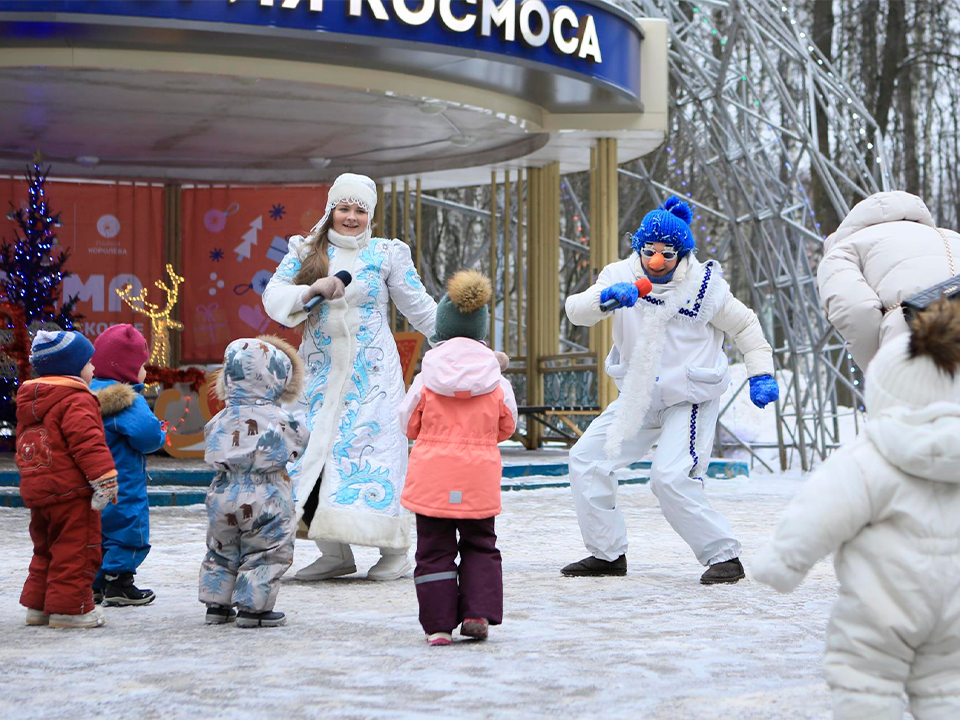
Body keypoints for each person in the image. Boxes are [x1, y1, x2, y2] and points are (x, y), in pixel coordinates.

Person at [753, 298, 960, 720]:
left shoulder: (870, 457)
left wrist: (781, 563)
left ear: (884, 390)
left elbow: (822, 509)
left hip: (878, 610)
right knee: (948, 689)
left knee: (866, 685)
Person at [561, 196, 778, 584]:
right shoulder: (618, 275)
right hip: (637, 396)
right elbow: (576, 311)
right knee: (587, 459)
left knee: (670, 477)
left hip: (689, 397)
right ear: (638, 248)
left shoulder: (706, 288)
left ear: (682, 254)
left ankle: (723, 555)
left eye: (667, 253)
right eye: (649, 251)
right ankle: (607, 553)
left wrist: (760, 373)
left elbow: (746, 327)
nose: (656, 261)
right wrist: (606, 298)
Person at [262, 173, 437, 582]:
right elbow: (273, 295)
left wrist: (467, 341)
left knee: (372, 453)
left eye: (360, 210)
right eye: (344, 208)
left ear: (370, 214)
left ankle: (394, 551)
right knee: (311, 454)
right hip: (318, 373)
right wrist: (309, 291)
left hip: (372, 374)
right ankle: (333, 551)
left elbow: (421, 308)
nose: (352, 217)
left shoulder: (387, 254)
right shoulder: (306, 250)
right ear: (331, 210)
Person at [398, 271, 517, 646]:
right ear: (481, 331)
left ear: (442, 330)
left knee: (433, 550)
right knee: (481, 545)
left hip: (432, 477)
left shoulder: (426, 376)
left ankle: (437, 626)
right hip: (478, 478)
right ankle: (476, 613)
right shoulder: (497, 380)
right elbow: (508, 425)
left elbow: (408, 423)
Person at [199, 335, 308, 628]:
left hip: (222, 491)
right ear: (276, 378)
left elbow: (210, 442)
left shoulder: (220, 417)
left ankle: (216, 605)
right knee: (266, 550)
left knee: (222, 548)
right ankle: (253, 609)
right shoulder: (280, 418)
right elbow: (299, 443)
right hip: (267, 492)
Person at [17, 330, 118, 629]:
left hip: (40, 490)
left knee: (46, 549)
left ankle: (39, 607)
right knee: (76, 550)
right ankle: (72, 610)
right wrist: (104, 479)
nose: (94, 368)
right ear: (72, 367)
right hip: (73, 493)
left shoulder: (31, 400)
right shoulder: (76, 399)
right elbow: (87, 443)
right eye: (89, 363)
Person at [818, 190, 960, 371]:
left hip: (912, 341)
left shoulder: (843, 250)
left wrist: (879, 372)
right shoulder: (951, 236)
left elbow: (856, 311)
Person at [90, 324, 166, 607]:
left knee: (97, 531)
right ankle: (119, 582)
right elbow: (147, 438)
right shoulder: (128, 401)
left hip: (91, 483)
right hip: (123, 485)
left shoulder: (84, 393)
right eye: (142, 365)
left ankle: (97, 582)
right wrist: (161, 431)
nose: (145, 371)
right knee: (128, 530)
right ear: (128, 369)